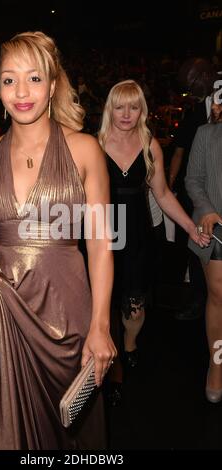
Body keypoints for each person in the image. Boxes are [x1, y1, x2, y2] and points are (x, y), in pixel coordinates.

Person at [0, 31, 116, 450]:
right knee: (1, 430)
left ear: (54, 84)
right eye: (9, 80)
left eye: (33, 78)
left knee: (68, 435)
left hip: (67, 311)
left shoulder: (84, 151)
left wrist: (99, 326)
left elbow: (99, 243)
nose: (21, 92)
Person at [98, 79, 209, 406]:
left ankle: (129, 345)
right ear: (109, 108)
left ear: (142, 110)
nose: (127, 113)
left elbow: (162, 194)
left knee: (134, 302)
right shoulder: (95, 143)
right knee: (103, 302)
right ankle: (109, 360)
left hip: (136, 231)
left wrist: (190, 227)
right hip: (102, 229)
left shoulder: (150, 146)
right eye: (120, 106)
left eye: (134, 106)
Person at [168, 57, 217, 320]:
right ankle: (200, 299)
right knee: (199, 246)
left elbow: (178, 153)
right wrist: (172, 185)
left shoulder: (203, 112)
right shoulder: (196, 115)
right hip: (197, 191)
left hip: (208, 189)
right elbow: (179, 153)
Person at [185, 98, 222, 403]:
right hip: (216, 227)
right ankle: (216, 364)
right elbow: (193, 179)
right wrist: (207, 209)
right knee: (219, 294)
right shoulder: (206, 134)